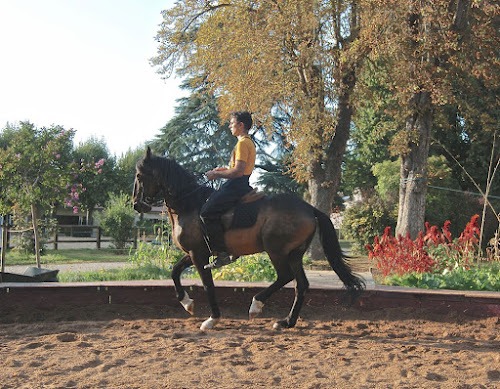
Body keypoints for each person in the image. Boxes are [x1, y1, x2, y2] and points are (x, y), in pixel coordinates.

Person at [200, 111, 256, 269]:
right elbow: (237, 169)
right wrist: (223, 169)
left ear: (241, 125)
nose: (230, 126)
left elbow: (238, 171)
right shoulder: (247, 142)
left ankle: (221, 254)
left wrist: (216, 174)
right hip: (241, 183)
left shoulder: (242, 144)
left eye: (232, 123)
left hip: (236, 185)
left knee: (206, 212)